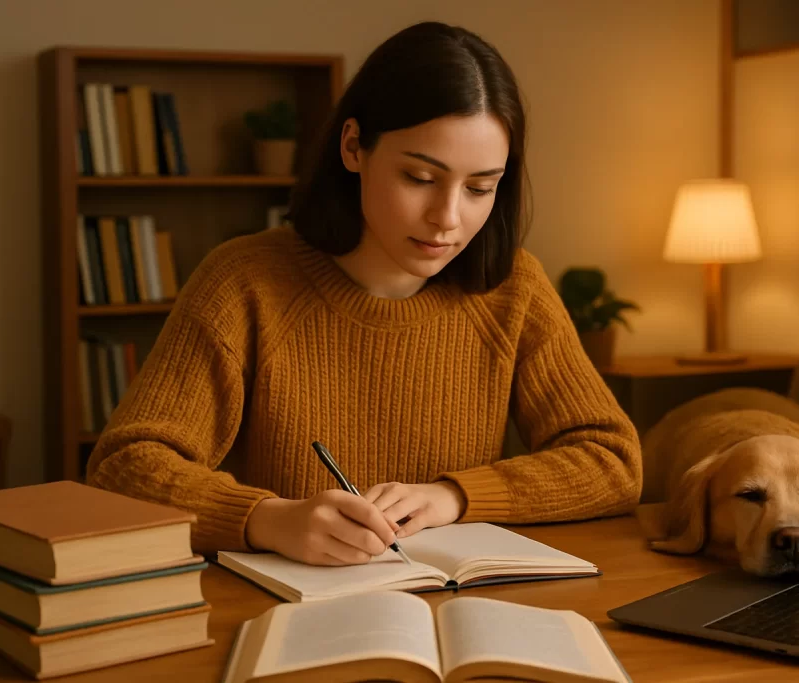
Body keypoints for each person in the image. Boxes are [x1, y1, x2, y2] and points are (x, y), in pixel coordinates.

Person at [86, 21, 641, 567]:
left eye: (479, 187)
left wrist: (454, 496)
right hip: (282, 613)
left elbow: (611, 462)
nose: (448, 218)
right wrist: (268, 519)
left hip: (461, 605)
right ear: (354, 146)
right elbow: (124, 466)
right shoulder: (243, 280)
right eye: (420, 178)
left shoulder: (514, 288)